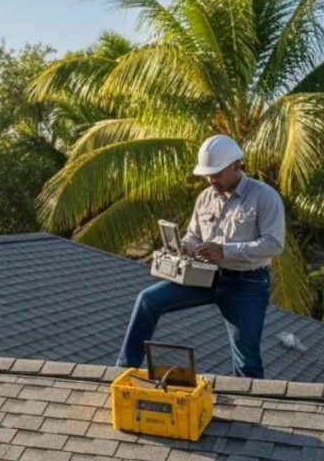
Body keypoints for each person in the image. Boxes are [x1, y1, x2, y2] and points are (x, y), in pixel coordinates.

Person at [116, 134, 285, 379]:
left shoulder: (264, 197)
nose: (211, 179)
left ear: (236, 165)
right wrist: (183, 247)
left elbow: (274, 244)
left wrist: (224, 250)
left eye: (217, 173)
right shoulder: (205, 197)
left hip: (246, 284)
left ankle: (249, 399)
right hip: (204, 276)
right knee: (147, 300)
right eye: (208, 174)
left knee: (246, 361)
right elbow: (194, 236)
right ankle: (124, 370)